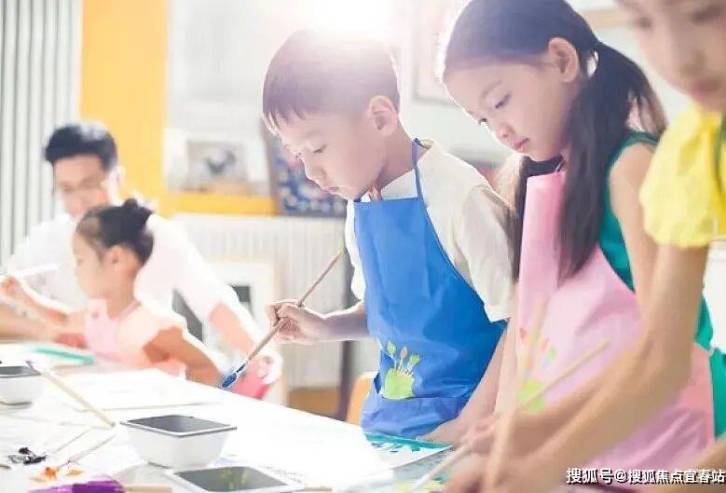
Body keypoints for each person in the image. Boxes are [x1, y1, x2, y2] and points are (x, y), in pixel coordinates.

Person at [440, 0, 726, 491]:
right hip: (617, 448)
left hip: (687, 435)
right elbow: (655, 359)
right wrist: (530, 435)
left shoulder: (634, 166)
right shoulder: (690, 151)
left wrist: (545, 454)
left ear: (562, 60)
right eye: (643, 23)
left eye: (501, 101)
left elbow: (669, 360)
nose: (677, 57)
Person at [263, 30, 512, 440]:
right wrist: (324, 327)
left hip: (470, 431)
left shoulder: (460, 198)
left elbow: (521, 325)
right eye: (298, 155)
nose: (311, 173)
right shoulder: (360, 201)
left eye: (318, 148)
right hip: (391, 426)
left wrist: (469, 425)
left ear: (380, 118)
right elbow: (388, 314)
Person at [0, 122, 279, 385]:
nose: (78, 201)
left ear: (117, 177)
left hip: (145, 384)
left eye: (89, 185)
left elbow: (214, 302)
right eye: (66, 190)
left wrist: (258, 351)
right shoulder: (46, 240)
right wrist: (44, 330)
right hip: (76, 380)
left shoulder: (157, 237)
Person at [1, 200, 221, 385]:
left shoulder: (152, 325)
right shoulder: (100, 312)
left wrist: (183, 408)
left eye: (80, 260)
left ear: (116, 259)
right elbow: (64, 320)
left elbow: (207, 367)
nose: (75, 270)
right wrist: (23, 296)